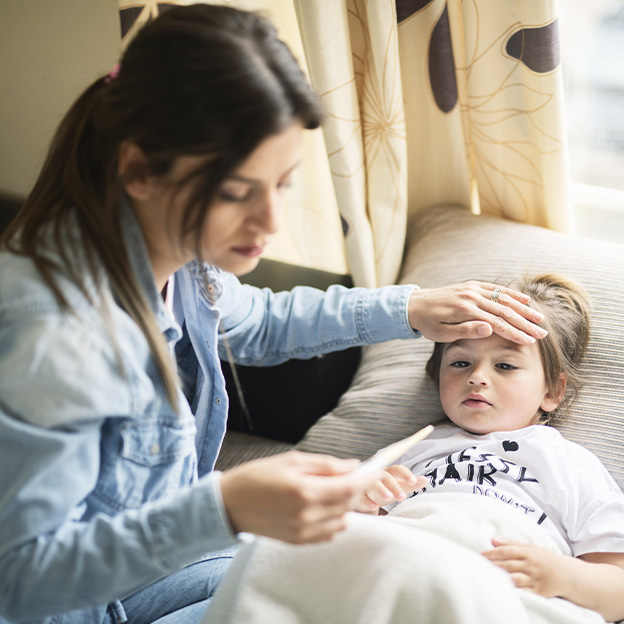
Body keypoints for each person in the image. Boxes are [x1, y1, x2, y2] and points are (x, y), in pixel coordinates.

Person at [0, 5, 546, 624]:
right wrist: (222, 508)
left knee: (391, 571)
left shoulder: (180, 262)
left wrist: (411, 308)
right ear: (138, 169)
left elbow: (258, 324)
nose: (269, 223)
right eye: (236, 192)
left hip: (144, 578)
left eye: (283, 184)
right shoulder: (54, 336)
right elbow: (21, 581)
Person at [361, 274, 624, 623]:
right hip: (407, 567)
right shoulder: (414, 448)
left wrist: (563, 575)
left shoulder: (573, 466)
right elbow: (353, 536)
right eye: (460, 363)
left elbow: (617, 587)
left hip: (506, 591)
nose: (477, 376)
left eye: (505, 365)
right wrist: (365, 504)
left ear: (552, 392)